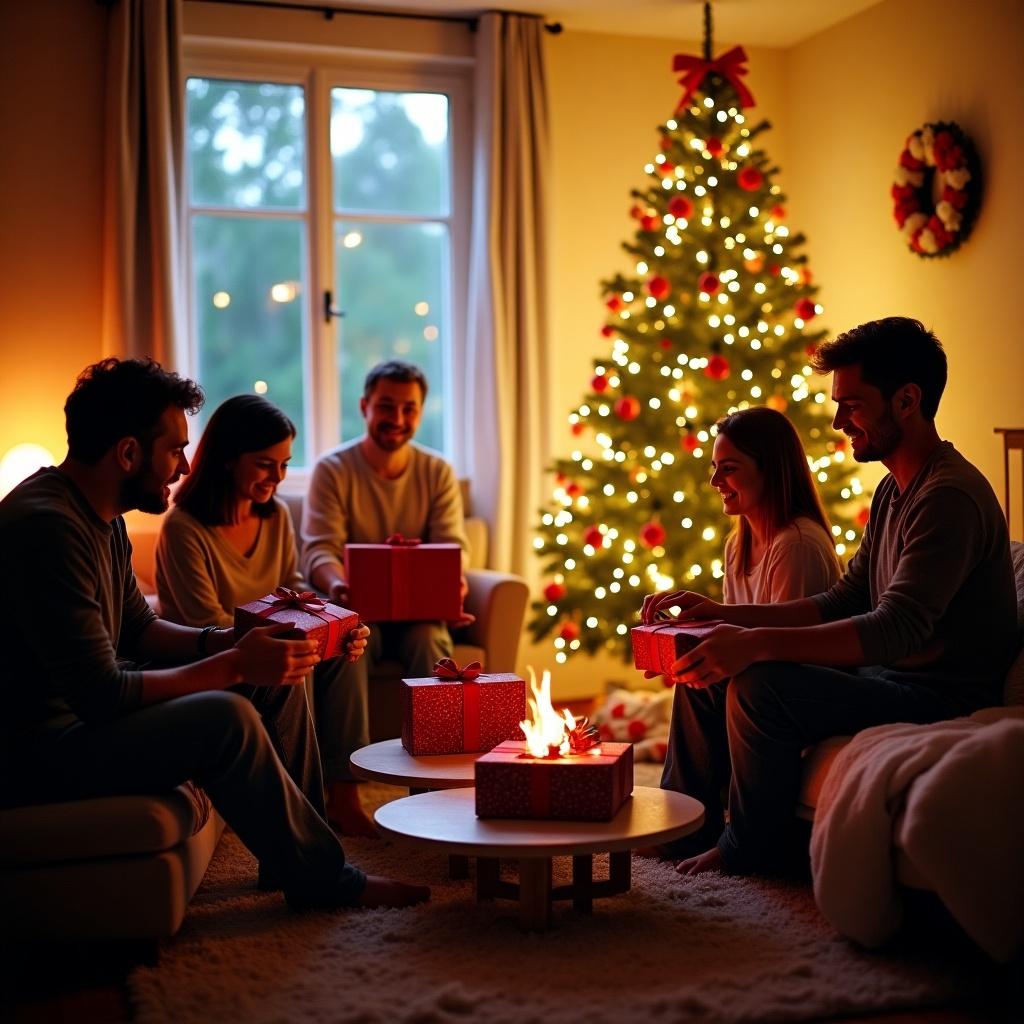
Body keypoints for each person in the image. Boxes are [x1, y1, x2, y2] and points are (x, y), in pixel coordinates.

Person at [0, 358, 428, 911]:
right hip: (47, 746)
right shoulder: (49, 528)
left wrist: (239, 645)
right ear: (128, 453)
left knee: (277, 678)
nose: (182, 466)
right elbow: (101, 693)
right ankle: (324, 882)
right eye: (174, 449)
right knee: (227, 717)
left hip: (87, 717)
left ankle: (297, 859)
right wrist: (233, 666)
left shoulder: (100, 516)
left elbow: (139, 627)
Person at [641, 317, 1016, 878]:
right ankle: (683, 824)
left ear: (907, 400)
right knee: (707, 659)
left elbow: (895, 628)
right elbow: (844, 598)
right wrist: (723, 617)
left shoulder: (949, 496)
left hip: (937, 697)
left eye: (853, 405)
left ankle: (751, 848)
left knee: (759, 682)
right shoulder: (895, 489)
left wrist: (756, 646)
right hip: (887, 680)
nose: (839, 421)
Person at [155, 394, 377, 837]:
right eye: (264, 464)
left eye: (284, 464)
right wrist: (295, 636)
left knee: (346, 650)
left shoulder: (276, 516)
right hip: (214, 660)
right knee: (299, 657)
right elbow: (206, 623)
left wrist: (336, 623)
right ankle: (298, 804)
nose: (277, 477)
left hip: (271, 647)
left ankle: (345, 798)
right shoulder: (184, 529)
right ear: (226, 460)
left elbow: (294, 583)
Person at [648, 407, 841, 860]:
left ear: (770, 470)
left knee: (714, 675)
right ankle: (684, 821)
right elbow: (738, 629)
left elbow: (792, 655)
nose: (716, 481)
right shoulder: (739, 543)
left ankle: (718, 835)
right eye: (715, 468)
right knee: (695, 676)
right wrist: (679, 637)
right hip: (768, 673)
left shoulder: (797, 545)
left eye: (729, 469)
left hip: (805, 685)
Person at [301, 360, 473, 745]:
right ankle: (345, 784)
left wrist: (453, 584)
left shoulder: (437, 472)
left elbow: (454, 548)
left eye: (408, 408)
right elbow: (318, 550)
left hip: (421, 617)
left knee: (433, 643)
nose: (397, 418)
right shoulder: (332, 470)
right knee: (349, 643)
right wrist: (341, 584)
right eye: (385, 406)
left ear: (420, 412)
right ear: (364, 407)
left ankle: (436, 773)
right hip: (361, 612)